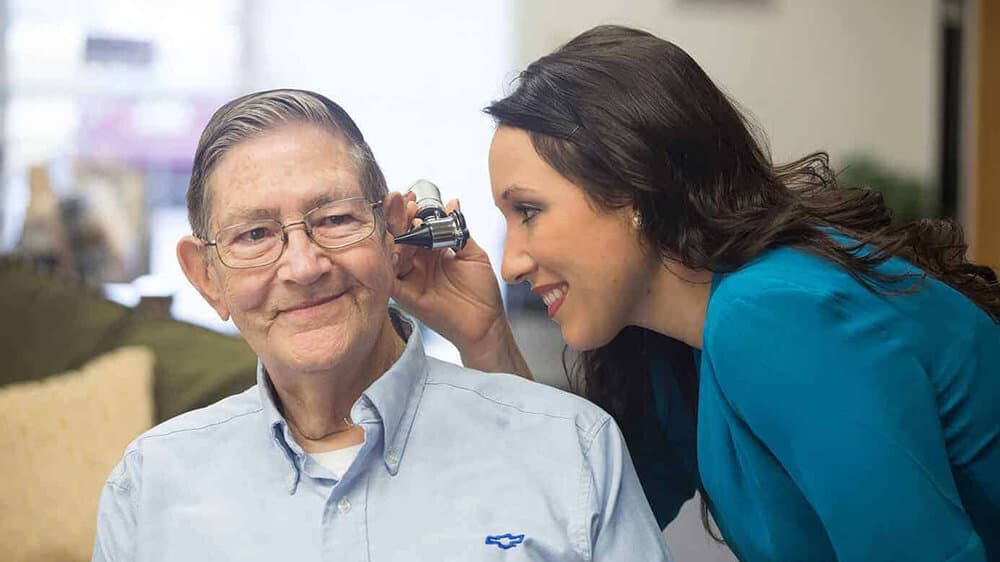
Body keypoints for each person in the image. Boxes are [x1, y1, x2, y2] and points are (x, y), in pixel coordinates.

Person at [393, 25, 1000, 561]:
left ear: (634, 192)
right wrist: (485, 335)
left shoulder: (772, 315)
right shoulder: (673, 347)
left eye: (529, 211)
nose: (512, 261)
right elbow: (582, 520)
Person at [91, 89, 673, 561]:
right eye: (255, 235)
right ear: (205, 276)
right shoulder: (148, 486)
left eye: (336, 218)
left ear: (393, 234)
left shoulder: (573, 445)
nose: (304, 266)